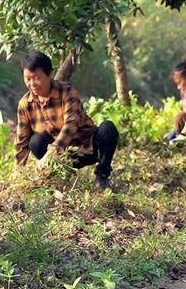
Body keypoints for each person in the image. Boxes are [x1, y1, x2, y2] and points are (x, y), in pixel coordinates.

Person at [14, 51, 119, 190]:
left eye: (36, 78)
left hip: (88, 148)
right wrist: (17, 174)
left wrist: (50, 153)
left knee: (108, 128)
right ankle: (59, 177)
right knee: (35, 141)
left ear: (50, 74)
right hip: (62, 156)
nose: (32, 83)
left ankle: (102, 177)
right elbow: (22, 141)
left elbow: (71, 126)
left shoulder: (68, 91)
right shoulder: (25, 104)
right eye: (27, 79)